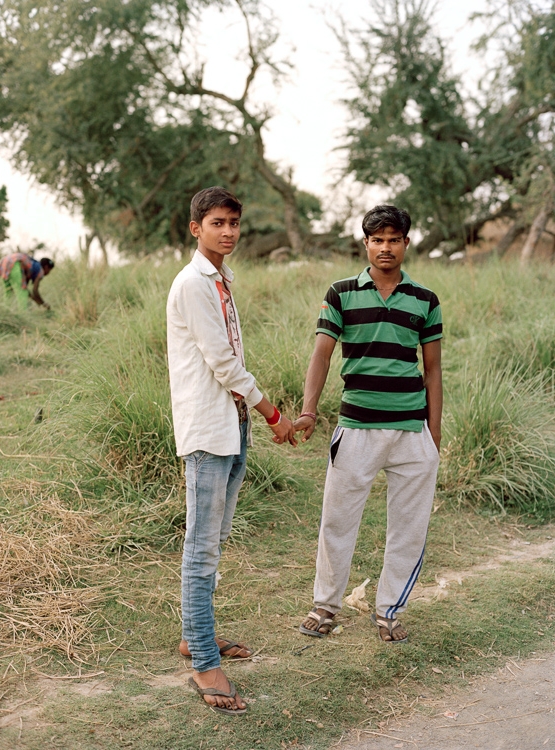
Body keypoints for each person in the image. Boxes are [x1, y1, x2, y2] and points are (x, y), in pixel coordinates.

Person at [166, 186, 296, 715]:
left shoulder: (221, 279)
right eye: (218, 223)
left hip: (229, 424)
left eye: (235, 223)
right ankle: (202, 661)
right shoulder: (193, 284)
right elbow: (222, 363)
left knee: (213, 539)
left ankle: (195, 635)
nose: (229, 232)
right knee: (201, 547)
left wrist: (253, 415)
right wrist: (273, 414)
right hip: (207, 430)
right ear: (195, 228)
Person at [295, 204, 442, 644]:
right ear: (366, 244)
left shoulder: (425, 300)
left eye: (393, 240)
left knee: (409, 525)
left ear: (406, 244)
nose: (385, 248)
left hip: (410, 430)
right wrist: (308, 409)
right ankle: (325, 607)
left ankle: (389, 610)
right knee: (337, 521)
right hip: (356, 426)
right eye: (377, 240)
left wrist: (433, 434)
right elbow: (322, 354)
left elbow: (433, 370)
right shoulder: (341, 293)